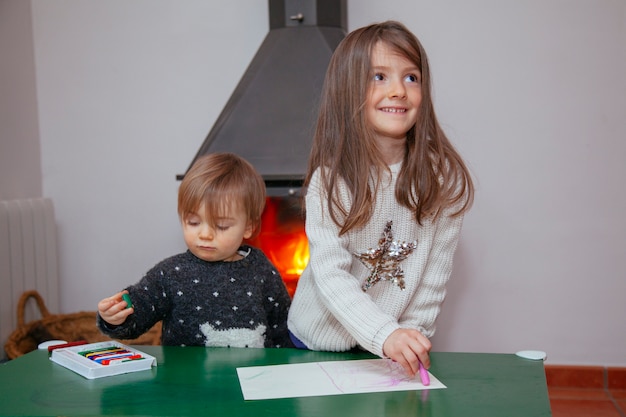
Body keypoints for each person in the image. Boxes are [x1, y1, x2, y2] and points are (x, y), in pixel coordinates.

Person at [287, 20, 474, 377]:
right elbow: (330, 274)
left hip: (390, 351)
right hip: (313, 344)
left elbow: (434, 278)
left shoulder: (443, 180)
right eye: (379, 77)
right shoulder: (330, 181)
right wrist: (384, 333)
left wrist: (410, 339)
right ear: (348, 90)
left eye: (411, 77)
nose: (399, 91)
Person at [97, 152, 292, 348]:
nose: (205, 234)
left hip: (251, 376)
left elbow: (283, 327)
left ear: (248, 227)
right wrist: (115, 318)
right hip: (185, 377)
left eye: (222, 226)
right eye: (193, 222)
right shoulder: (171, 273)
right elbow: (139, 312)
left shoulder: (261, 270)